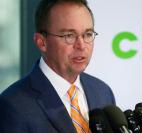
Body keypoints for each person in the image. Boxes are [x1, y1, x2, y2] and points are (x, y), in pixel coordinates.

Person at [0, 0, 116, 132]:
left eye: (88, 34)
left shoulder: (102, 92)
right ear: (42, 42)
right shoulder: (13, 105)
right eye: (69, 36)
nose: (81, 45)